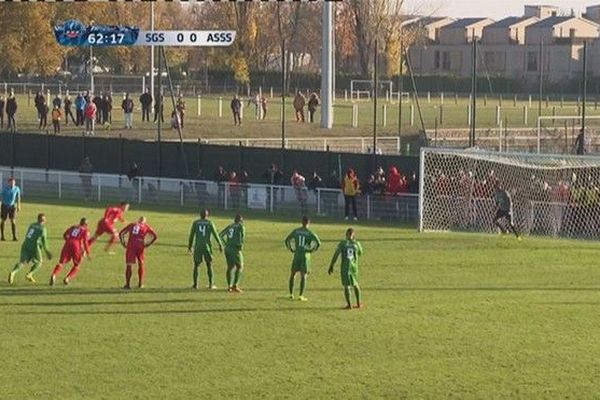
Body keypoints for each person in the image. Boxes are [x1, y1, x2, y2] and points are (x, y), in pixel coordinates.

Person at [8, 213, 52, 284]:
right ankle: (29, 274)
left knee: (22, 262)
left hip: (25, 244)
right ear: (44, 220)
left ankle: (13, 272)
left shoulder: (32, 225)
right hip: (34, 246)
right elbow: (44, 241)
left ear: (37, 219)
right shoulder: (43, 229)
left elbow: (30, 236)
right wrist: (47, 252)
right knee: (39, 262)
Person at [284, 216, 321, 301]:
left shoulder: (296, 231)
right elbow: (318, 243)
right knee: (303, 275)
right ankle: (301, 295)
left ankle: (291, 294)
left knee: (293, 274)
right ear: (309, 223)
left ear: (302, 222)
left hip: (297, 254)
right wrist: (312, 250)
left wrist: (291, 248)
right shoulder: (310, 232)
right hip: (305, 255)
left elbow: (286, 240)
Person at [328, 227, 364, 309]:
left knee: (346, 286)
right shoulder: (357, 244)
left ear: (346, 235)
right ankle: (358, 304)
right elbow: (360, 253)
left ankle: (349, 305)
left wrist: (331, 265)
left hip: (345, 267)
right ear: (354, 235)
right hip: (354, 268)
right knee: (355, 284)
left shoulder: (342, 243)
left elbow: (336, 255)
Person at [187, 209, 223, 290]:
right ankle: (211, 284)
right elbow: (215, 234)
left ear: (200, 215)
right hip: (207, 247)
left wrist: (190, 246)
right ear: (207, 215)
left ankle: (195, 285)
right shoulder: (210, 223)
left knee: (196, 265)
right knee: (209, 264)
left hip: (198, 246)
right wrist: (220, 244)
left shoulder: (196, 223)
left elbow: (191, 235)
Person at [50, 218, 91, 286]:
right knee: (77, 264)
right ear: (86, 225)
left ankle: (54, 274)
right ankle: (67, 278)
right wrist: (88, 252)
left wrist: (68, 241)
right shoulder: (86, 230)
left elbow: (64, 234)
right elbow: (85, 242)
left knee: (61, 262)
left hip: (68, 243)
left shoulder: (73, 227)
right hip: (76, 246)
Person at [119, 216, 158, 289]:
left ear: (138, 220)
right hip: (140, 244)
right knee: (141, 263)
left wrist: (123, 243)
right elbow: (155, 236)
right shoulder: (146, 226)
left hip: (131, 244)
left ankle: (127, 285)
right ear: (144, 221)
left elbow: (121, 233)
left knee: (129, 264)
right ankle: (140, 284)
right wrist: (148, 244)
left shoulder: (132, 224)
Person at [219, 214, 245, 293]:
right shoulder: (241, 227)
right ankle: (235, 285)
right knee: (240, 266)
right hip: (235, 249)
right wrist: (240, 245)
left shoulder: (230, 226)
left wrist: (225, 244)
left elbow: (220, 235)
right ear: (240, 220)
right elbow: (242, 237)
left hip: (227, 249)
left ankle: (229, 286)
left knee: (230, 267)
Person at [1, 177, 21, 241]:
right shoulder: (4, 189)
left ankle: (14, 237)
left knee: (13, 221)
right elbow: (0, 197)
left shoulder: (17, 188)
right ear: (8, 183)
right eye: (11, 182)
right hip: (4, 206)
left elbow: (18, 198)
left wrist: (18, 205)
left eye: (13, 182)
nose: (12, 184)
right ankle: (2, 236)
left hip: (12, 206)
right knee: (3, 220)